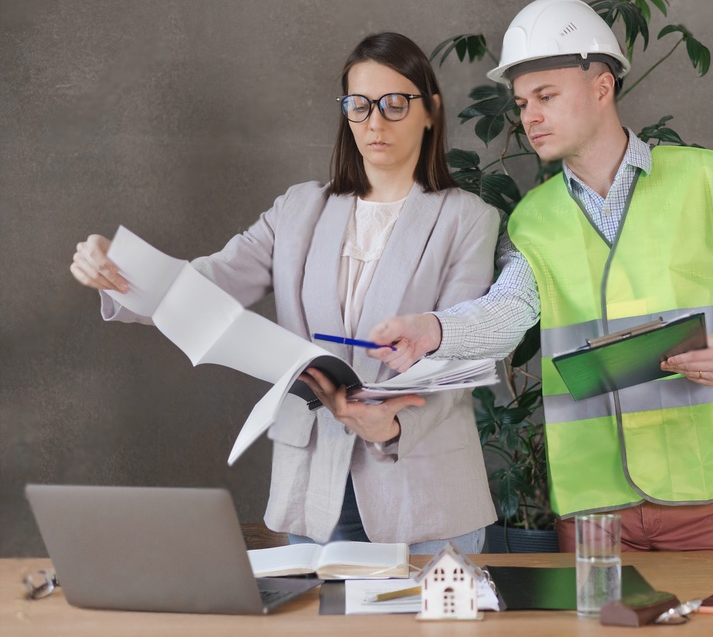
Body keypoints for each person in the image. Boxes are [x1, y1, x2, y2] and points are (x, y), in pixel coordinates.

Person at [368, 0, 713, 553]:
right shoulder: (532, 219)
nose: (529, 116)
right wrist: (434, 330)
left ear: (602, 87)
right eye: (522, 102)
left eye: (546, 96)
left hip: (710, 494)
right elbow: (507, 311)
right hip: (596, 507)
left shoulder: (710, 182)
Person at [70, 32, 499, 555]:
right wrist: (120, 266)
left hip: (424, 488)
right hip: (315, 489)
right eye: (359, 105)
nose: (375, 122)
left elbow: (460, 352)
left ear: (430, 110)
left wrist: (391, 425)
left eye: (394, 103)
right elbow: (209, 282)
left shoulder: (468, 218)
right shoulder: (298, 209)